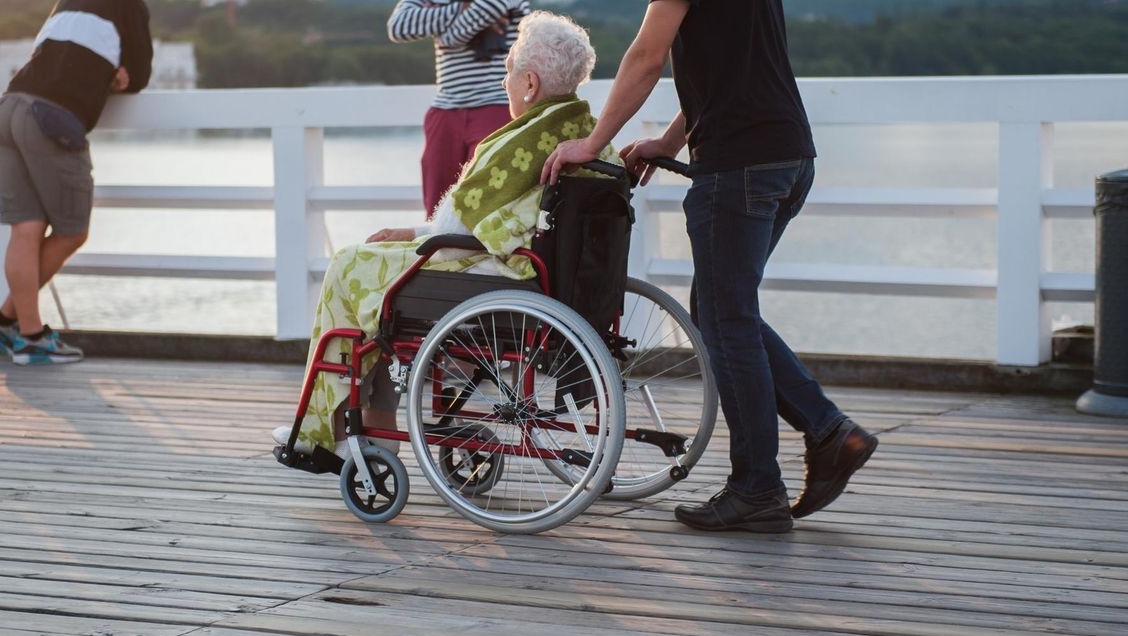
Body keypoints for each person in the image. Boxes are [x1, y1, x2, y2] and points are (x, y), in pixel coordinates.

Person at [542, 0, 878, 531]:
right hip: (788, 157)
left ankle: (757, 487)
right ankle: (830, 433)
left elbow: (647, 57)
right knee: (727, 312)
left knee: (726, 317)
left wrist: (592, 143)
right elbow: (728, 67)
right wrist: (671, 141)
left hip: (739, 165)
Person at [274, 10, 613, 456]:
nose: (503, 83)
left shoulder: (519, 141)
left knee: (350, 267)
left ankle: (330, 429)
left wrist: (410, 232)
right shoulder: (584, 133)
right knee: (375, 280)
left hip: (494, 276)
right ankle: (374, 428)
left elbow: (453, 230)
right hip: (544, 279)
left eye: (509, 72)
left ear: (529, 84)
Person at [0, 0, 152, 365]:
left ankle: (11, 326)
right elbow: (138, 76)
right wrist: (119, 75)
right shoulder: (130, 5)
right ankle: (27, 333)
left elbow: (50, 55)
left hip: (8, 108)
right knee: (72, 231)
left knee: (26, 228)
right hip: (49, 116)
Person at [388, 0, 531, 218]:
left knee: (489, 201)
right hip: (445, 110)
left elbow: (454, 37)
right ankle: (437, 250)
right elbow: (399, 27)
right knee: (437, 204)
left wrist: (445, 30)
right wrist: (461, 8)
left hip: (498, 105)